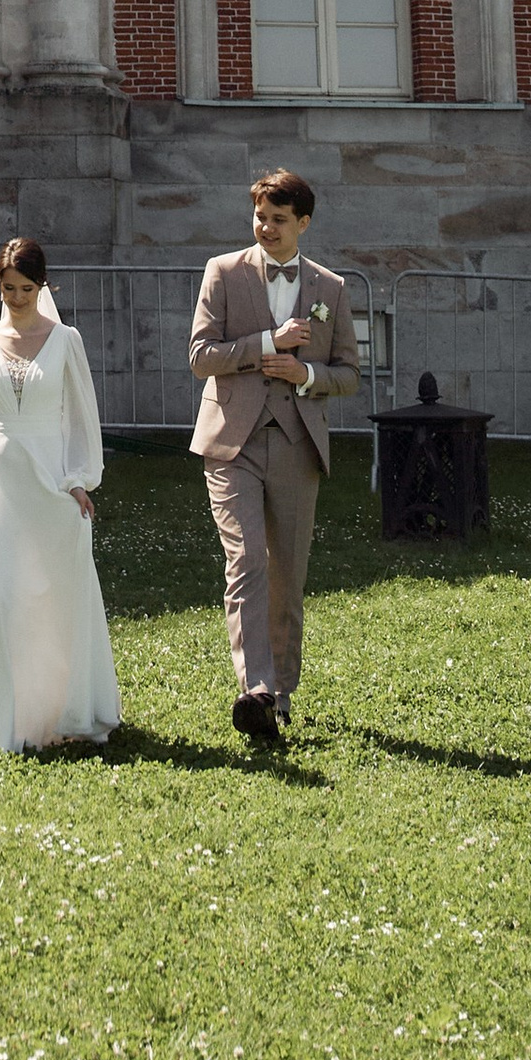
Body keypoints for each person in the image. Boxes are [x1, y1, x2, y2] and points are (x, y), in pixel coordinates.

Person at [188, 166, 360, 744]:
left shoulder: (330, 289)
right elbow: (200, 355)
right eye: (259, 217)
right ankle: (255, 688)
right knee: (247, 564)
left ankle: (280, 694)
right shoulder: (223, 272)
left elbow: (349, 376)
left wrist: (305, 373)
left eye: (278, 220)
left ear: (303, 224)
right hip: (230, 443)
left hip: (296, 444)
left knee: (287, 572)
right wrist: (267, 344)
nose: (265, 227)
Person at [0, 234, 122, 756]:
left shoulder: (67, 340)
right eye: (7, 288)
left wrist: (79, 480)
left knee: (55, 596)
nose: (16, 298)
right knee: (3, 599)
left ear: (43, 287)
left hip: (51, 481)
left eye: (26, 288)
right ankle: (9, 720)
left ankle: (63, 709)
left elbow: (82, 416)